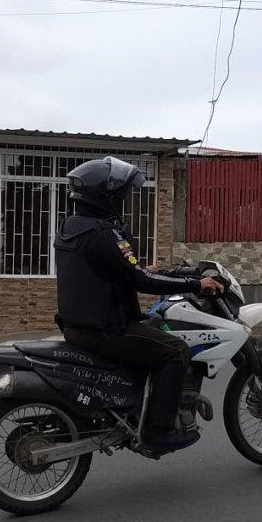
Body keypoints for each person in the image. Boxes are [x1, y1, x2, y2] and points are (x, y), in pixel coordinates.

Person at [55, 156, 224, 452]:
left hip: (76, 326)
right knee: (175, 351)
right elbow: (141, 282)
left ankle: (135, 410)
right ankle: (159, 432)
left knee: (151, 333)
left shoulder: (71, 226)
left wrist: (142, 270)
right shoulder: (103, 233)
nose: (124, 200)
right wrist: (197, 284)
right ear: (105, 197)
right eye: (122, 195)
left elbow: (103, 271)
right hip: (106, 329)